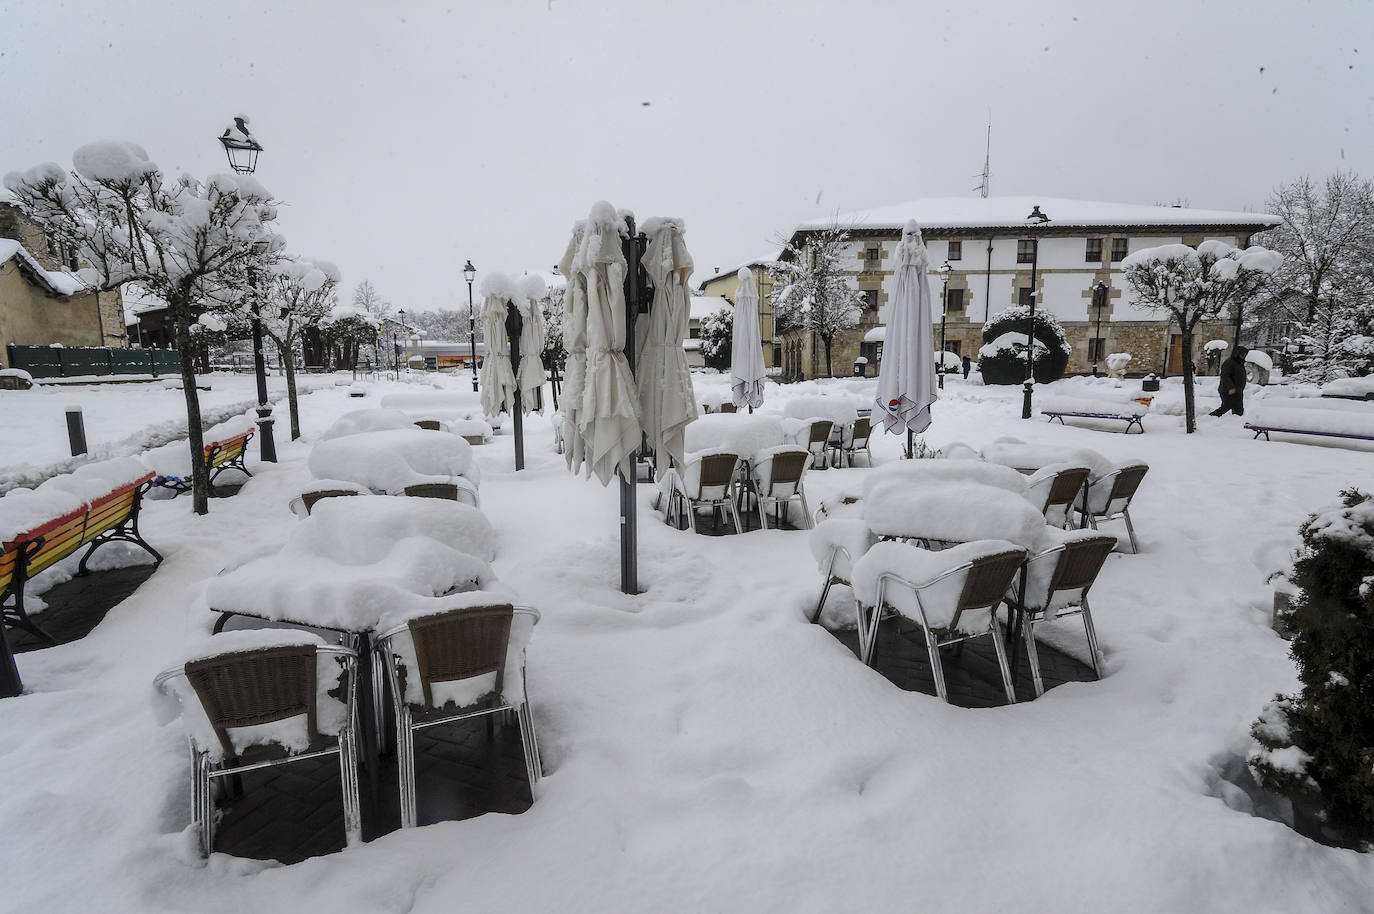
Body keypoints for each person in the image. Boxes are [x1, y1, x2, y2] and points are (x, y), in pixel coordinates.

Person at [1210, 345, 1249, 417]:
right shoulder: (1229, 363)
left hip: (1238, 391)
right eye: (1242, 354)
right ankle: (1210, 417)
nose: (1243, 356)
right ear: (1237, 353)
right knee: (1226, 406)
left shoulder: (1240, 363)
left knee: (1238, 410)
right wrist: (1231, 387)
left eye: (1245, 354)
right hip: (1228, 390)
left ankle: (1235, 424)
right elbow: (1225, 376)